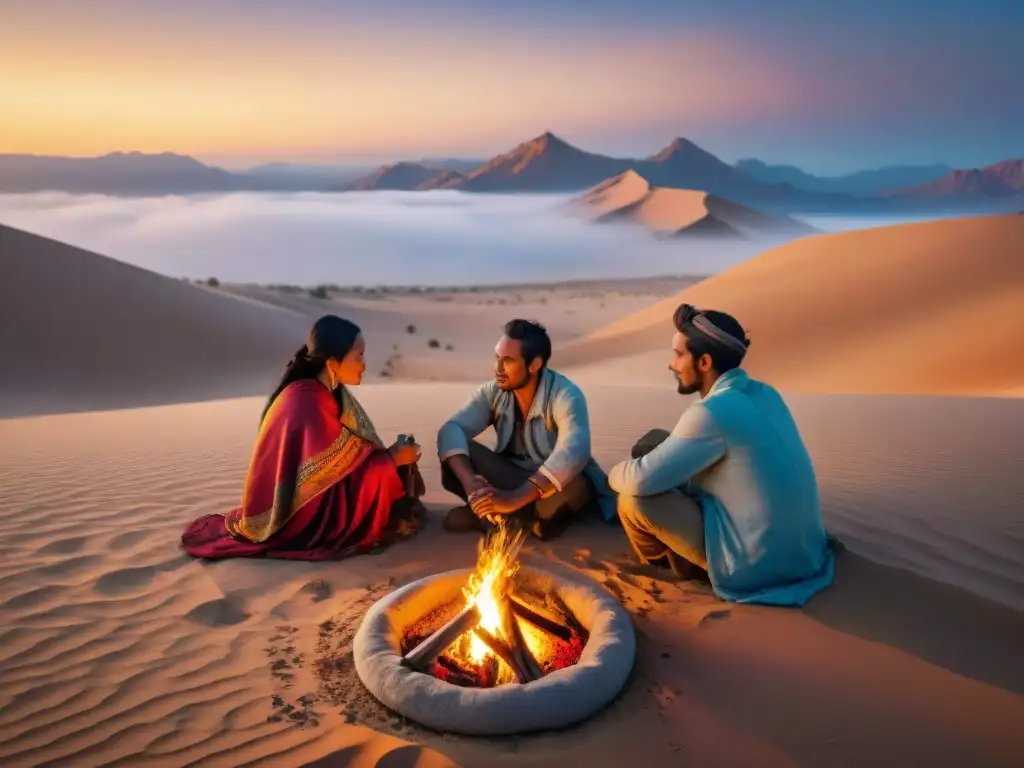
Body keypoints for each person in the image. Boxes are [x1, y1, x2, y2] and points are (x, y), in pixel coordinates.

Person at [609, 303, 834, 605]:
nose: (671, 365)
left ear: (704, 361)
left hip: (755, 566)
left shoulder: (711, 413)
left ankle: (671, 565)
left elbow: (637, 482)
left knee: (632, 500)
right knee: (654, 442)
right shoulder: (764, 393)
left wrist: (617, 470)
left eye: (678, 355)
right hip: (805, 552)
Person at [181, 315, 426, 561]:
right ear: (332, 362)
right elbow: (324, 487)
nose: (364, 365)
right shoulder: (308, 402)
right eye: (359, 355)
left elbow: (346, 463)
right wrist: (392, 459)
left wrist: (393, 456)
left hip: (312, 499)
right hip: (302, 518)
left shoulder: (326, 393)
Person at [437, 319, 614, 539]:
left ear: (534, 365)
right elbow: (452, 429)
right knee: (456, 454)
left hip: (555, 483)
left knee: (556, 501)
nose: (498, 369)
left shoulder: (566, 394)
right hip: (513, 476)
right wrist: (470, 483)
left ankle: (504, 518)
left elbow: (575, 449)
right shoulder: (493, 391)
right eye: (497, 358)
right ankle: (504, 514)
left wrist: (514, 498)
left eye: (508, 361)